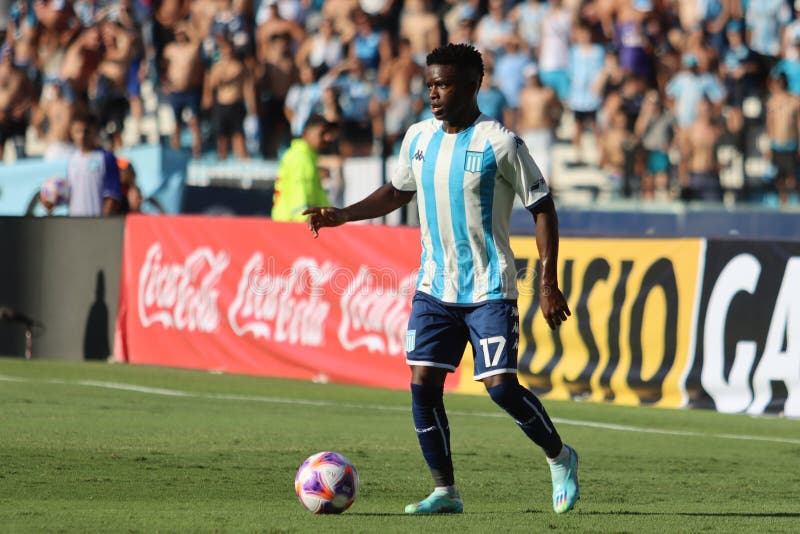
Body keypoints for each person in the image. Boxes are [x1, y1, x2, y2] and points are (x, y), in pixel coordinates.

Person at [302, 44, 579, 515]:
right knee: (423, 384)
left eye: (443, 84)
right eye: (429, 83)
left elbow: (543, 207)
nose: (433, 92)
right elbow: (396, 190)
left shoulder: (500, 143)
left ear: (472, 85)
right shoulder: (418, 138)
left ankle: (560, 456)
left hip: (490, 287)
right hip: (434, 288)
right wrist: (343, 215)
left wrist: (549, 282)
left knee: (500, 387)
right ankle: (445, 491)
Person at [271, 114, 338, 222]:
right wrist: (307, 221)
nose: (327, 137)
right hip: (295, 229)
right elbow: (300, 205)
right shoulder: (301, 158)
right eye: (322, 132)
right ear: (306, 133)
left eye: (329, 133)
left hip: (289, 226)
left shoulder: (301, 155)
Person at [64, 111, 122, 216]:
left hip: (95, 223)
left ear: (95, 131)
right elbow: (70, 193)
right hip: (74, 224)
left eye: (86, 131)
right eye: (78, 131)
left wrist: (101, 223)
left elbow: (111, 195)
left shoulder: (106, 158)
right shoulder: (72, 160)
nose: (82, 136)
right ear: (71, 133)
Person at [765, 72, 800, 205]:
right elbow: (770, 125)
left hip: (791, 144)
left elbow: (798, 123)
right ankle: (782, 202)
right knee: (779, 178)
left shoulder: (794, 101)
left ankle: (794, 203)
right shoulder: (772, 102)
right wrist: (768, 145)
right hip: (777, 145)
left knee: (792, 178)